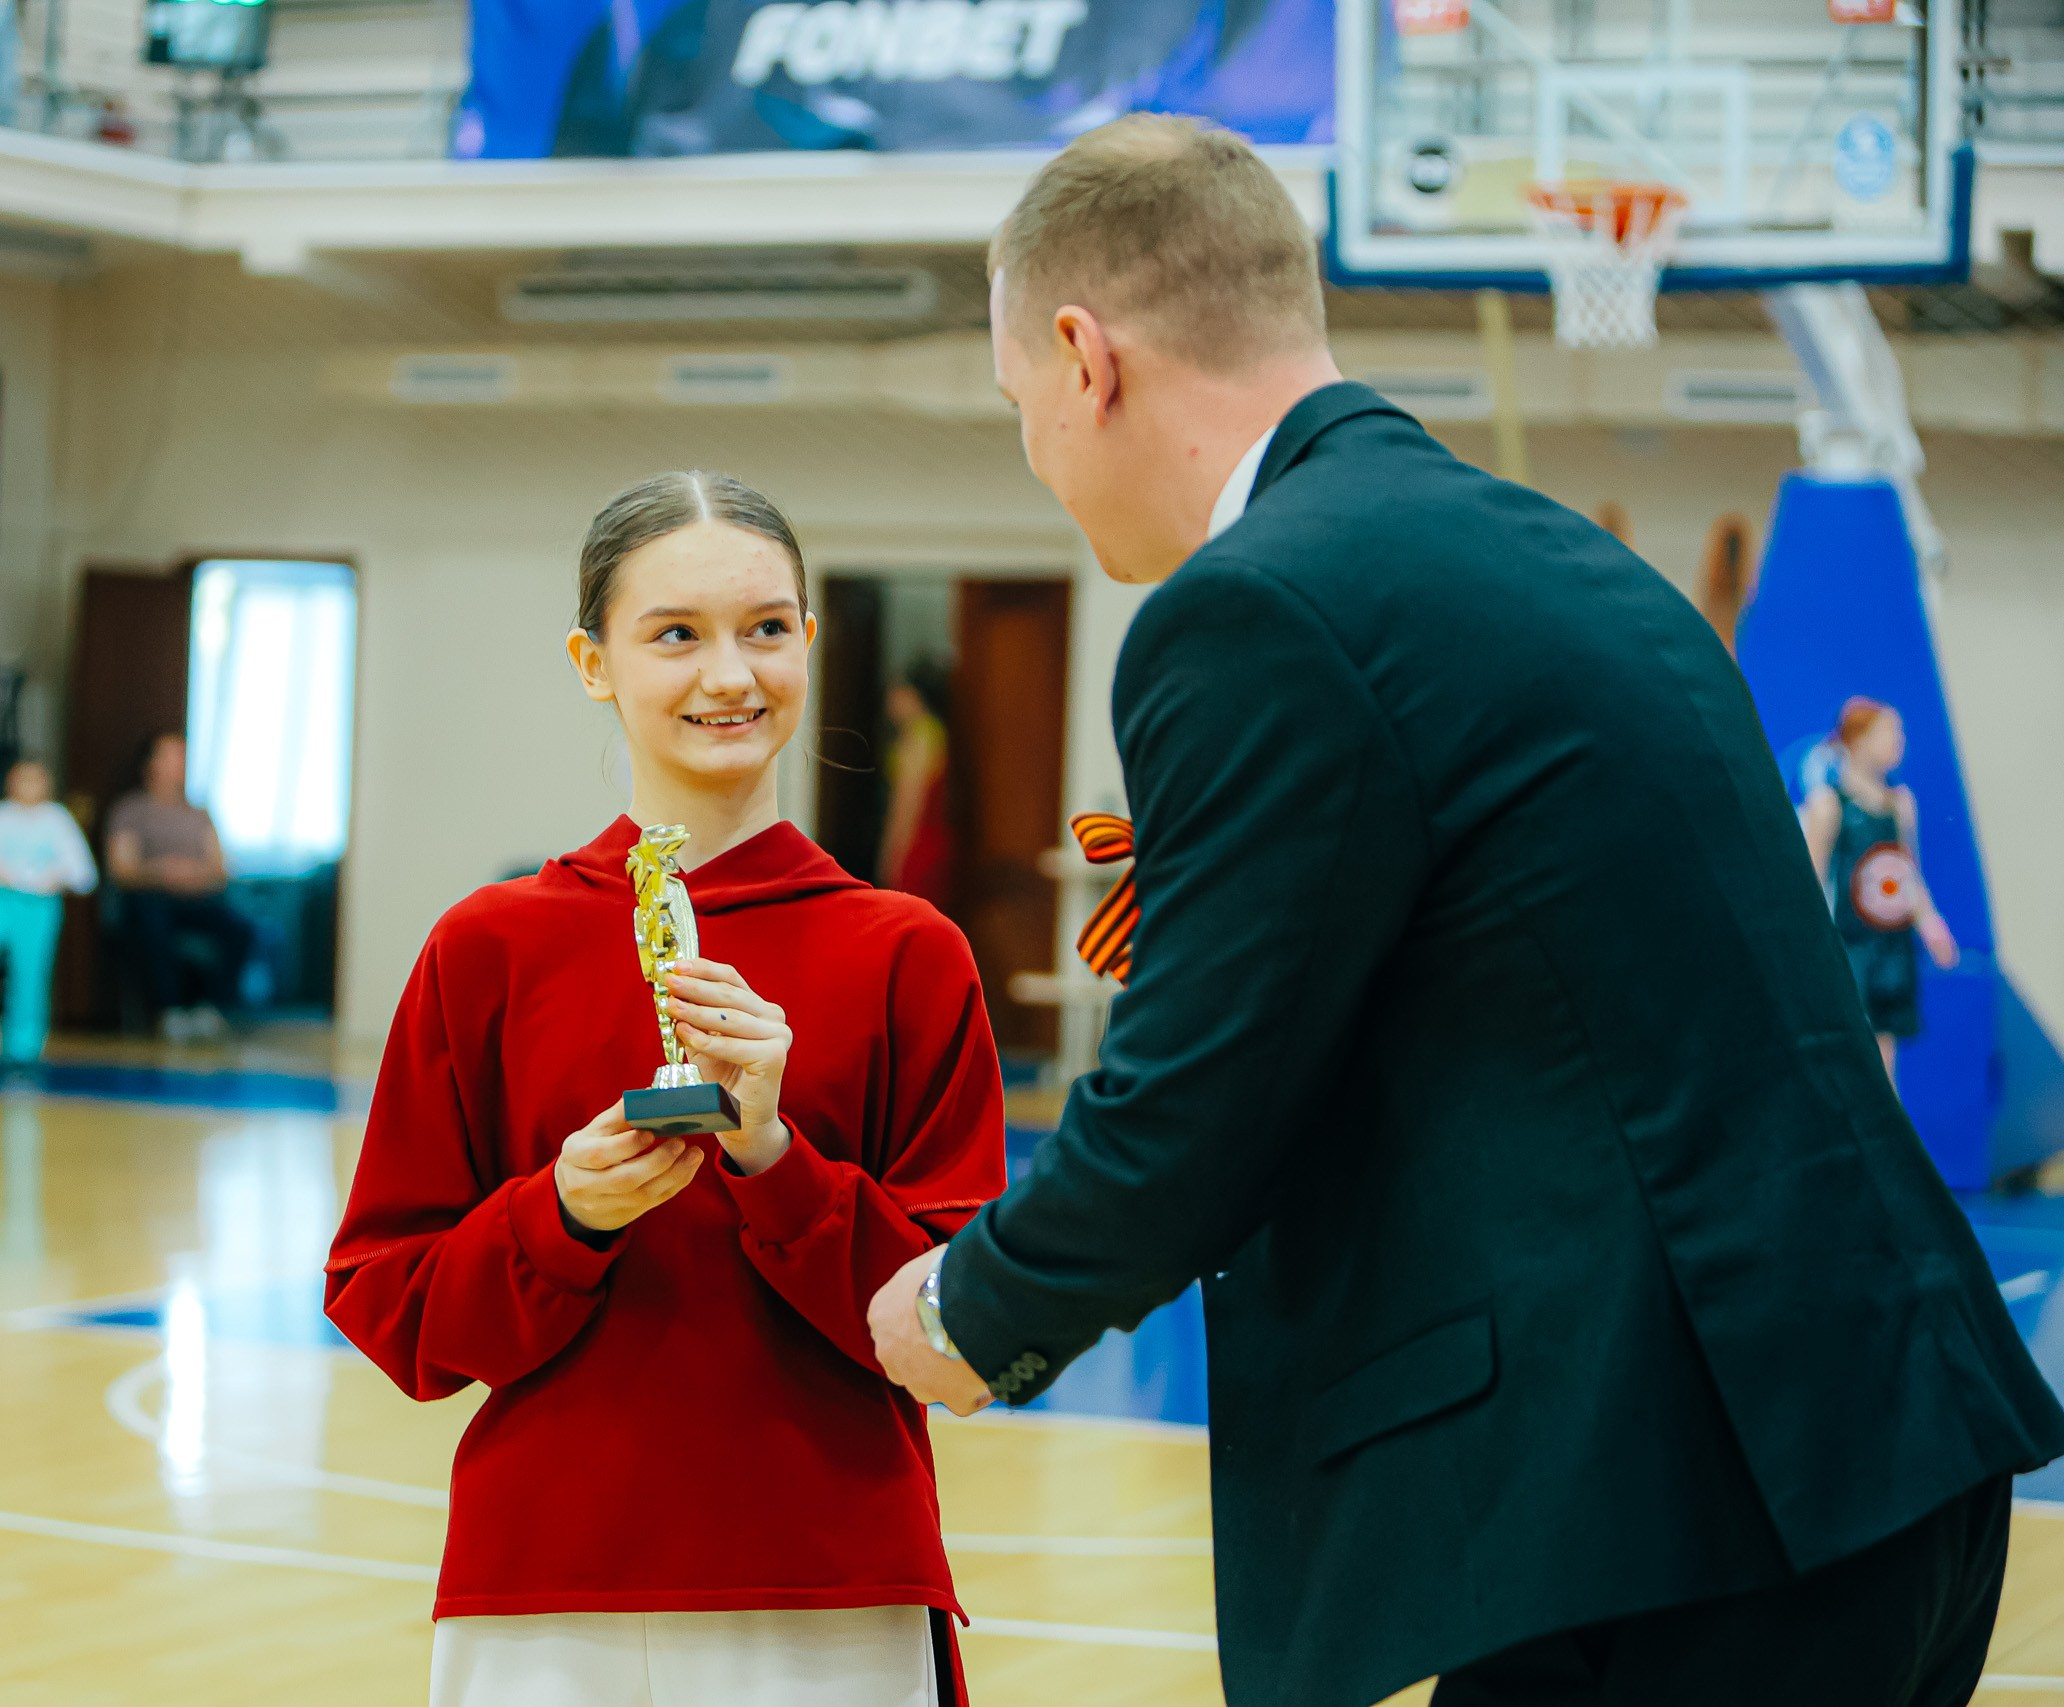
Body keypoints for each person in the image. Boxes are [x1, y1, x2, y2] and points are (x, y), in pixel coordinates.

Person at [861, 116, 2064, 1707]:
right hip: (1879, 1429)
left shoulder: (1255, 602)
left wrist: (965, 1306)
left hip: (1677, 1503)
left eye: (1023, 409)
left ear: (1086, 359)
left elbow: (1193, 1110)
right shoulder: (1548, 553)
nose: (1039, 453)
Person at [325, 471, 1008, 1707]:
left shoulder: (910, 954)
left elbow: (964, 1333)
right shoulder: (487, 947)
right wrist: (563, 1216)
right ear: (595, 662)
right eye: (675, 635)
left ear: (809, 640)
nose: (729, 675)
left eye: (763, 629)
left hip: (831, 1587)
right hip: (542, 1594)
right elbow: (392, 1309)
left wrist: (775, 1162)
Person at [1802, 696, 1963, 1080]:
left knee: (1886, 1046)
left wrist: (1931, 924)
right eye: (1889, 732)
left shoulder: (1901, 804)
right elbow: (1807, 887)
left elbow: (1908, 874)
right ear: (1858, 740)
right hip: (1852, 947)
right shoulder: (1829, 806)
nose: (1899, 741)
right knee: (1855, 1046)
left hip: (1892, 947)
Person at [0, 758, 96, 1068]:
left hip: (38, 907)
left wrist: (54, 876)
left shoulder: (57, 820)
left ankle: (22, 1049)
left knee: (30, 972)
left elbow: (83, 874)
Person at [104, 732, 255, 1041]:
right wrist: (161, 871)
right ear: (151, 764)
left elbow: (219, 868)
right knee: (153, 921)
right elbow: (122, 870)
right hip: (151, 899)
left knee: (241, 928)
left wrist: (195, 875)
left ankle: (210, 1009)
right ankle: (168, 1011)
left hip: (197, 899)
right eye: (173, 755)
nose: (181, 764)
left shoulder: (198, 814)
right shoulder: (130, 810)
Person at [876, 664, 957, 912]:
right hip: (935, 840)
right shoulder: (933, 730)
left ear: (911, 695)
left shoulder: (918, 737)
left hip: (918, 844)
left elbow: (908, 802)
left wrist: (893, 852)